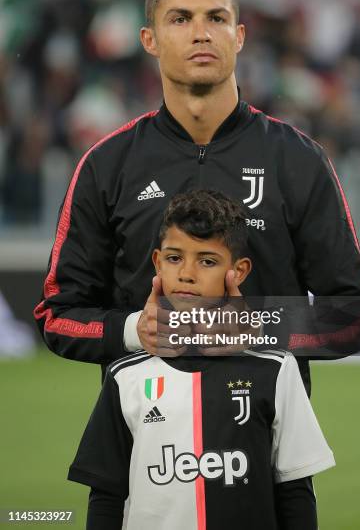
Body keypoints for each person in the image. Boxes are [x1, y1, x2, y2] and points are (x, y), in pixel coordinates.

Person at [34, 0, 360, 393]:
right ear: (149, 39)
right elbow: (57, 314)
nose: (201, 33)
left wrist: (257, 330)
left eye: (215, 18)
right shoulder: (106, 165)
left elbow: (356, 314)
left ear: (238, 36)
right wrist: (135, 330)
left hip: (263, 452)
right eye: (180, 19)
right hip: (141, 451)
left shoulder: (298, 159)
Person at [68, 190, 335, 530]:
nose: (187, 274)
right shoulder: (124, 378)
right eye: (175, 258)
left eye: (207, 261)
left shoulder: (275, 371)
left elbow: (295, 491)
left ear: (237, 272)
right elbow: (105, 496)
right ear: (157, 263)